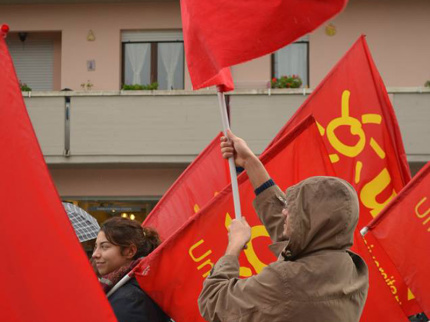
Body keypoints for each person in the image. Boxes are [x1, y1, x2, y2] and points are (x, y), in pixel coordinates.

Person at [198, 130, 369, 322]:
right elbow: (295, 233)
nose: (285, 212)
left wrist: (233, 248)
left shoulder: (286, 280)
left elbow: (214, 300)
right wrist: (249, 162)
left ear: (312, 221)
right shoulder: (349, 268)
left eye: (296, 210)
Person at [92, 217, 170, 322]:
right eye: (95, 247)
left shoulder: (130, 299)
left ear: (130, 251)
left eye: (104, 247)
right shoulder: (133, 286)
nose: (95, 254)